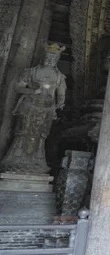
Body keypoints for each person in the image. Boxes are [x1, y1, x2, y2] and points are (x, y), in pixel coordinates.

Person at [0, 43, 67, 174]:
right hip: (30, 105)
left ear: (57, 61)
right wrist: (32, 91)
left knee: (41, 135)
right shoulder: (31, 72)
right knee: (23, 131)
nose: (50, 61)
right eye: (47, 58)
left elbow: (61, 92)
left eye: (53, 59)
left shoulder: (59, 76)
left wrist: (60, 102)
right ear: (42, 58)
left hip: (47, 108)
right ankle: (15, 159)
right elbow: (18, 87)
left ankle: (38, 160)